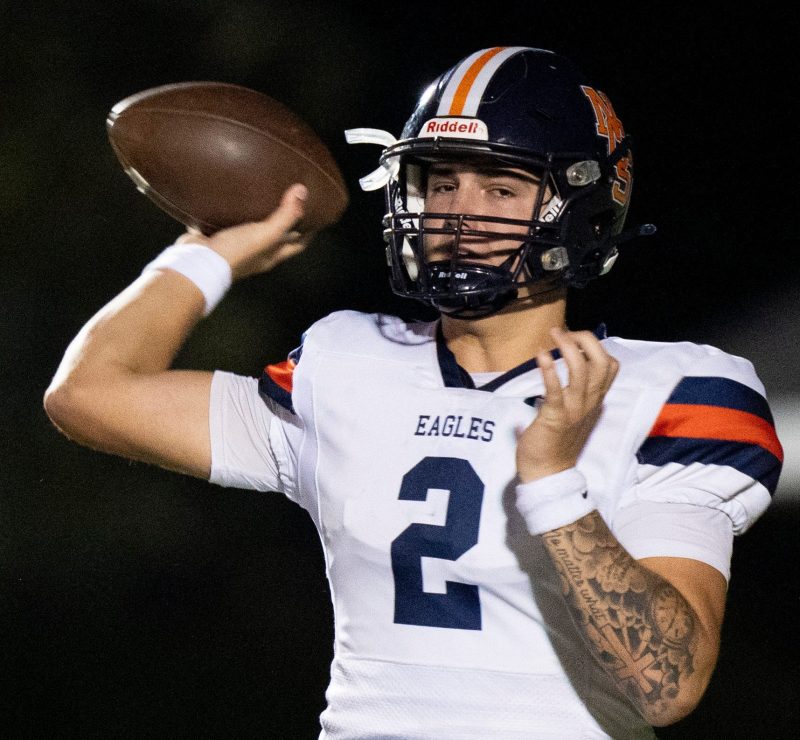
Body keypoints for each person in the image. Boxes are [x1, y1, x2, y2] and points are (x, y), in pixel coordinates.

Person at [45, 46, 783, 738]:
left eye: (501, 187)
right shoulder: (347, 361)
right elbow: (91, 394)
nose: (459, 215)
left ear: (582, 209)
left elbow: (666, 686)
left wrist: (554, 481)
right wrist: (206, 255)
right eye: (441, 183)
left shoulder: (671, 392)